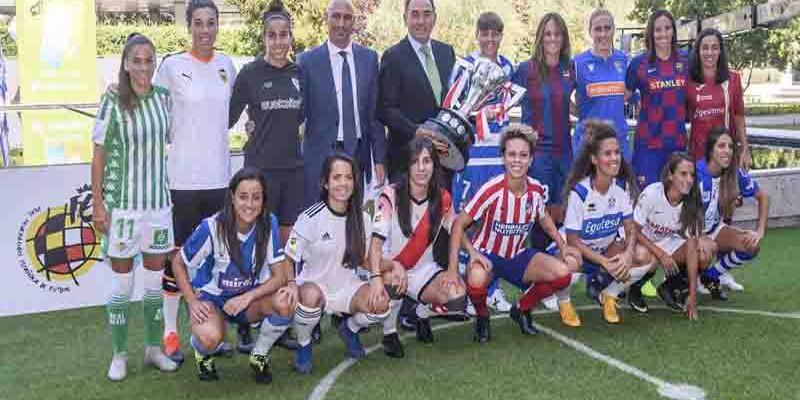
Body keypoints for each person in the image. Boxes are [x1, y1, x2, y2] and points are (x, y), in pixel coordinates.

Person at [154, 0, 243, 362]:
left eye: (211, 23)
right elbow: (154, 111)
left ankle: (210, 333)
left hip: (220, 179)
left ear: (218, 26)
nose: (205, 30)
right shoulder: (171, 66)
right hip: (183, 180)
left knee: (214, 259)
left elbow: (230, 116)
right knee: (176, 258)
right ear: (189, 26)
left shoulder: (227, 66)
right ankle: (170, 333)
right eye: (199, 23)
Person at [90, 33, 178, 381]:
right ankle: (119, 354)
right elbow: (98, 155)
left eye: (148, 60)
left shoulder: (164, 98)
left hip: (158, 207)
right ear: (125, 64)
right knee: (123, 286)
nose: (143, 66)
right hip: (124, 209)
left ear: (155, 63)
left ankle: (154, 350)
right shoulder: (112, 100)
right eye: (136, 60)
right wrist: (98, 204)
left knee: (154, 284)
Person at [448, 124, 581, 342]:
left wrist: (562, 245)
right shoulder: (491, 189)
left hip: (517, 256)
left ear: (531, 160)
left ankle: (521, 308)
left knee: (563, 274)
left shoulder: (535, 189)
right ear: (503, 158)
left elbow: (544, 218)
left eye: (523, 155)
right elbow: (457, 225)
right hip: (487, 256)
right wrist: (471, 255)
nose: (517, 160)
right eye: (512, 154)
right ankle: (482, 316)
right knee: (477, 276)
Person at [170, 168, 296, 383]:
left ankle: (259, 355)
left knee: (286, 301)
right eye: (243, 196)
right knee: (209, 338)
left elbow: (279, 276)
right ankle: (203, 354)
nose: (250, 204)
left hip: (248, 300)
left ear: (263, 200)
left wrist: (247, 297)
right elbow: (178, 262)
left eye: (256, 197)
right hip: (213, 298)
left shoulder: (269, 223)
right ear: (232, 197)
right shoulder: (211, 227)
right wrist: (191, 301)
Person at [287, 153, 390, 374]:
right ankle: (304, 345)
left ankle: (349, 329)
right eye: (336, 177)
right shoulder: (310, 218)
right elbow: (289, 256)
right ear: (325, 182)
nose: (343, 183)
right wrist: (291, 284)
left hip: (347, 287)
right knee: (309, 297)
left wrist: (385, 272)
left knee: (381, 304)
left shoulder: (362, 217)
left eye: (348, 177)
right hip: (315, 287)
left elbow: (365, 259)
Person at [370, 137, 467, 358]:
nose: (421, 168)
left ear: (435, 164)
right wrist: (376, 276)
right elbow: (375, 246)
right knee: (392, 282)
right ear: (407, 165)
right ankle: (389, 333)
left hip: (424, 270)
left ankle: (422, 313)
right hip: (391, 268)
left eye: (427, 161)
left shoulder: (442, 197)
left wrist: (467, 257)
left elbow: (456, 228)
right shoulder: (390, 195)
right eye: (415, 162)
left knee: (457, 298)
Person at [555, 121, 655, 324]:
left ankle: (609, 295)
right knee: (570, 263)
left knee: (645, 256)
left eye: (617, 152)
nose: (614, 158)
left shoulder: (621, 188)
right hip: (577, 253)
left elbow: (630, 227)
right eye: (607, 154)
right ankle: (564, 302)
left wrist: (628, 253)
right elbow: (573, 241)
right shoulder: (580, 192)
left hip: (604, 252)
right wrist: (604, 262)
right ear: (594, 159)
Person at [448, 11, 515, 314]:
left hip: (497, 157)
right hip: (472, 155)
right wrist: (480, 115)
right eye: (484, 33)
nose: (490, 39)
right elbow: (453, 106)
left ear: (501, 36)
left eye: (495, 33)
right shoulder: (464, 65)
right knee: (468, 220)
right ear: (477, 36)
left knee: (496, 221)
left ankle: (492, 286)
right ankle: (467, 287)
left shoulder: (508, 66)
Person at [298, 0, 386, 208]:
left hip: (357, 154)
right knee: (319, 217)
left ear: (353, 22)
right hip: (320, 157)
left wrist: (379, 159)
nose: (341, 23)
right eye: (336, 16)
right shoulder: (307, 61)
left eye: (347, 18)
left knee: (354, 216)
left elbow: (374, 114)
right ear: (326, 19)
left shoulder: (369, 59)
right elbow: (297, 112)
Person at [229, 0, 304, 244]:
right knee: (259, 239)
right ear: (264, 38)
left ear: (291, 37)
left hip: (293, 169)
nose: (278, 41)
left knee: (288, 241)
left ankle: (285, 272)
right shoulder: (250, 73)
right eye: (272, 35)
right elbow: (227, 116)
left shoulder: (300, 73)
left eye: (283, 35)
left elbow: (303, 116)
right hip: (260, 169)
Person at [512, 12, 575, 249]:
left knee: (563, 210)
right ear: (540, 37)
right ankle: (539, 261)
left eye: (557, 34)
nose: (552, 38)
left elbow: (577, 102)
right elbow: (503, 101)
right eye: (548, 34)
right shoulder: (525, 70)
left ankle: (560, 261)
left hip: (564, 152)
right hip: (538, 154)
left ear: (564, 37)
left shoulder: (571, 69)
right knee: (540, 213)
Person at [378, 0, 456, 180]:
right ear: (405, 18)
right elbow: (385, 109)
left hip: (444, 160)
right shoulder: (393, 57)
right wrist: (415, 131)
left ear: (435, 18)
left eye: (427, 14)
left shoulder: (447, 52)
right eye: (415, 14)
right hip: (407, 159)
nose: (421, 21)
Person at [696, 127, 768, 298]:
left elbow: (763, 197)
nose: (727, 150)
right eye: (721, 146)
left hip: (714, 229)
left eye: (730, 146)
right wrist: (698, 237)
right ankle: (679, 279)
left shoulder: (734, 172)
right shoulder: (695, 173)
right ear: (710, 150)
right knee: (705, 252)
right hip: (690, 233)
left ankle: (710, 275)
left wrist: (760, 231)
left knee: (751, 246)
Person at [633, 153, 705, 320]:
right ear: (670, 176)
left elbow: (692, 249)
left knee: (702, 253)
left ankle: (670, 287)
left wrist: (693, 295)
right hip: (638, 240)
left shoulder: (691, 201)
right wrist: (661, 254)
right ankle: (635, 288)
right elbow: (633, 231)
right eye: (683, 174)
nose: (689, 180)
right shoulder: (652, 193)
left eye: (692, 175)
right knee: (647, 258)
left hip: (663, 241)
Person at [625, 10, 689, 188]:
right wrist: (637, 99)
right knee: (646, 197)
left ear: (673, 31)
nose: (663, 34)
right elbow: (623, 96)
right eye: (658, 29)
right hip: (648, 144)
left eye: (667, 28)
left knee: (675, 197)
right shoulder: (639, 63)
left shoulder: (686, 60)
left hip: (676, 143)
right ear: (651, 33)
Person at [572, 8, 631, 160]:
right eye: (598, 29)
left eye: (607, 28)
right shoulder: (577, 63)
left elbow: (632, 95)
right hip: (589, 146)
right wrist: (580, 114)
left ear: (613, 30)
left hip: (618, 144)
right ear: (590, 32)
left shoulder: (624, 60)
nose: (603, 34)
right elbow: (560, 96)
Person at [687, 28, 751, 169]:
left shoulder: (733, 79)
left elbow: (739, 116)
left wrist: (745, 149)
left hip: (726, 155)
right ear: (698, 51)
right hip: (698, 156)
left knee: (728, 184)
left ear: (720, 51)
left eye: (714, 48)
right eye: (705, 48)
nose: (710, 52)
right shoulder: (688, 81)